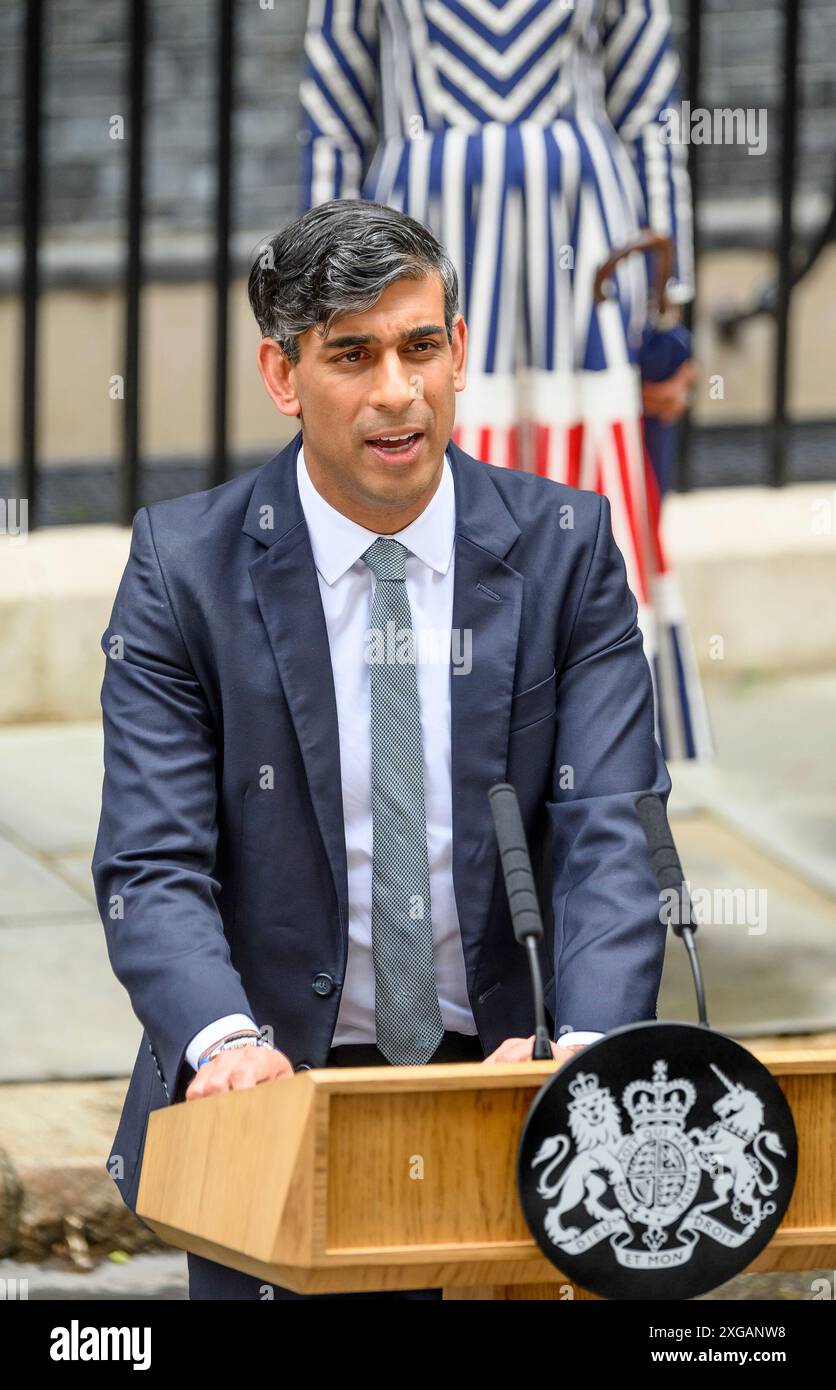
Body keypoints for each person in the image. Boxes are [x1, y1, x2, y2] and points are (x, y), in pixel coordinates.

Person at [92, 199, 671, 1301]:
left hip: (507, 1085)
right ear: (282, 374)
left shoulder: (566, 550)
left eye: (420, 346)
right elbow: (152, 863)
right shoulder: (185, 569)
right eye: (351, 356)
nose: (396, 391)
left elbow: (609, 829)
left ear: (456, 350)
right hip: (273, 1098)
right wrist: (223, 1047)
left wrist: (583, 1039)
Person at [298, 0, 712, 761]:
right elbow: (335, 112)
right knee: (418, 445)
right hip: (419, 227)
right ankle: (417, 739)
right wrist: (317, 296)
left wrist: (668, 293)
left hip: (584, 244)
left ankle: (604, 753)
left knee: (588, 474)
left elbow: (651, 105)